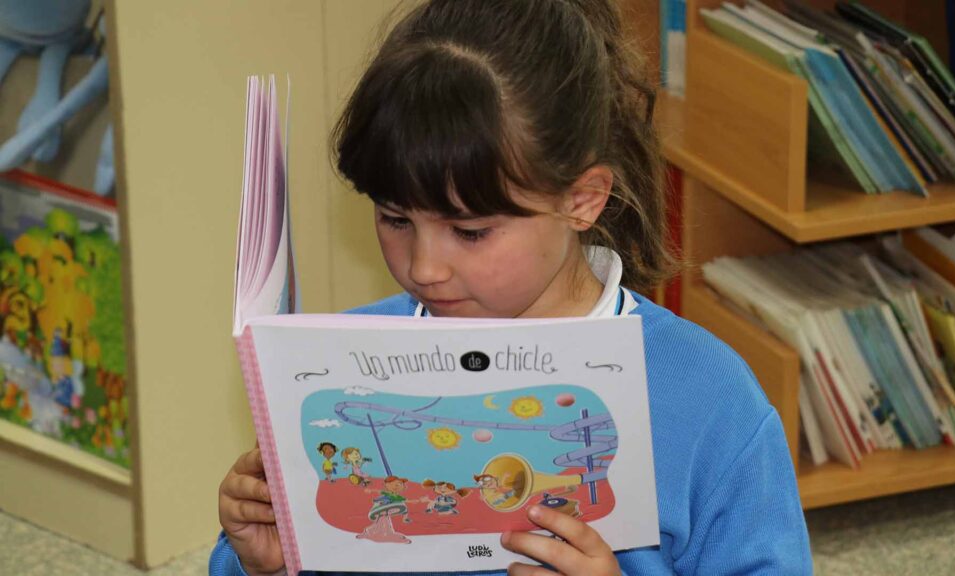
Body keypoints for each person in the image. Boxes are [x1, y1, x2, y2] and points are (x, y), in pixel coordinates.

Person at [212, 0, 812, 574]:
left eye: (469, 232)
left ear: (582, 200)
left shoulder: (706, 395)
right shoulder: (342, 369)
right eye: (395, 219)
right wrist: (261, 562)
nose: (424, 268)